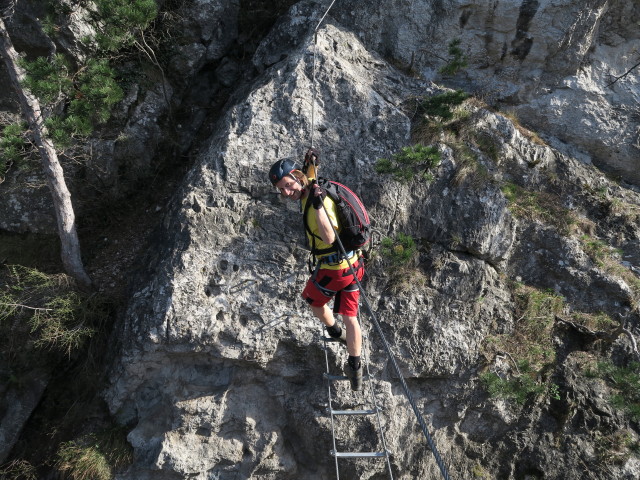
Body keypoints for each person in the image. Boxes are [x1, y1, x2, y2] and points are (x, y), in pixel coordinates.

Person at [268, 151, 365, 390]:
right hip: (354, 264)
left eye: (289, 186)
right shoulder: (310, 183)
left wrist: (318, 206)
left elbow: (329, 237)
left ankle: (335, 332)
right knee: (351, 316)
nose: (286, 192)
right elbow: (310, 175)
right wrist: (311, 164)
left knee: (313, 301)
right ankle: (356, 368)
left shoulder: (315, 203)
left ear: (298, 178)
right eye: (281, 189)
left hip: (333, 270)